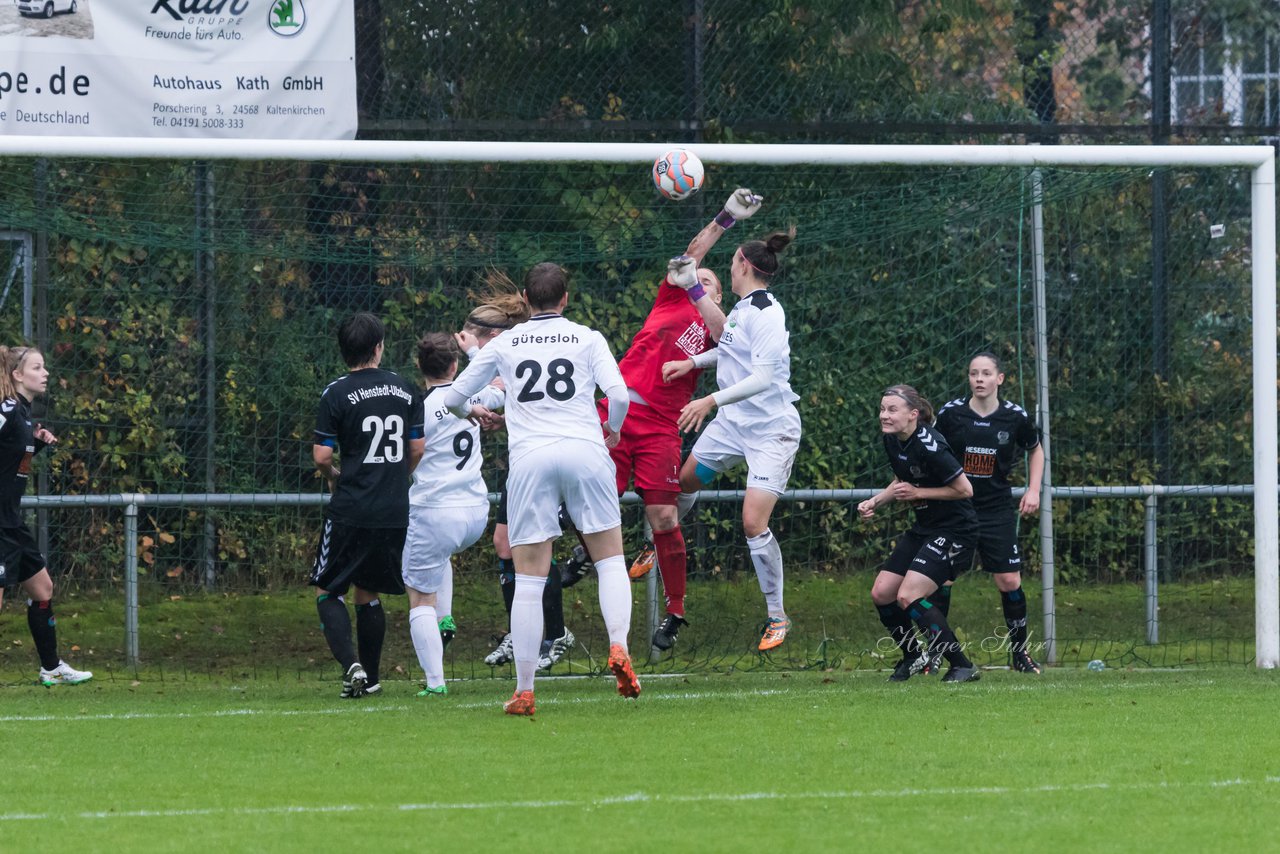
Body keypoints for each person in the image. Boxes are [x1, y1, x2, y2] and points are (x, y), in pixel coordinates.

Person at [445, 261, 638, 716]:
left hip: (531, 460)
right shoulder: (588, 338)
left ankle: (526, 690)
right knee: (610, 560)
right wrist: (610, 431)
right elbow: (622, 396)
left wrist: (475, 415)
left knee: (529, 580)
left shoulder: (507, 341)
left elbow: (455, 398)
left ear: (527, 302)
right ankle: (618, 645)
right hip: (585, 451)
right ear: (566, 299)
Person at [588, 192, 744, 651]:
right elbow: (690, 256)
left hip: (660, 425)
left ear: (717, 293)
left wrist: (704, 296)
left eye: (710, 280)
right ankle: (585, 558)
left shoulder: (720, 326)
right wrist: (725, 218)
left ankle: (675, 611)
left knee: (662, 515)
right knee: (598, 501)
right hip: (617, 411)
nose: (700, 278)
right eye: (698, 278)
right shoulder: (671, 298)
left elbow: (722, 337)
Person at [661, 194, 801, 652]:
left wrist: (709, 400)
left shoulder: (769, 315)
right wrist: (692, 363)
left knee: (752, 522)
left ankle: (777, 617)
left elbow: (762, 376)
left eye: (733, 259)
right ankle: (660, 538)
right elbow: (728, 345)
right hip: (734, 423)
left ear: (741, 263)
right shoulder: (743, 309)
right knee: (682, 484)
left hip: (771, 431)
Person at [454, 281, 576, 673]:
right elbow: (505, 402)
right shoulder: (505, 354)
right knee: (504, 543)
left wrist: (476, 381)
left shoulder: (516, 349)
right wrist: (493, 415)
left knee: (536, 547)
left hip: (552, 458)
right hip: (523, 463)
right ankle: (519, 632)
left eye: (471, 339)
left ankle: (555, 635)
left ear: (492, 337)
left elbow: (496, 395)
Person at [310, 313, 425, 698]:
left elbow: (322, 455)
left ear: (345, 352)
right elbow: (417, 448)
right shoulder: (407, 390)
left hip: (352, 507)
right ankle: (372, 679)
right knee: (369, 591)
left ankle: (351, 666)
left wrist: (335, 478)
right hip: (393, 509)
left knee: (328, 589)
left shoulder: (336, 392)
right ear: (378, 347)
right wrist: (395, 478)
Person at [402, 332, 508, 697]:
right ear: (455, 365)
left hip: (435, 511)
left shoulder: (417, 408)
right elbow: (503, 386)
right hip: (475, 512)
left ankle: (435, 683)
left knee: (418, 598)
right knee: (440, 556)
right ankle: (444, 618)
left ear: (420, 366)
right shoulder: (474, 396)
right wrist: (479, 349)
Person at [858, 384, 981, 683]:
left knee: (909, 595)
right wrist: (876, 501)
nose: (884, 416)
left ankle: (962, 664)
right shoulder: (893, 440)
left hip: (956, 530)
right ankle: (913, 656)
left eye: (892, 410)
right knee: (882, 592)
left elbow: (965, 490)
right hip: (925, 528)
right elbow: (902, 480)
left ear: (913, 415)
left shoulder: (931, 445)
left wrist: (919, 492)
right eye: (882, 409)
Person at [935, 351, 1045, 674]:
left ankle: (1020, 654)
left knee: (1009, 580)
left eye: (985, 373)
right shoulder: (951, 414)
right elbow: (931, 449)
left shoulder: (1014, 417)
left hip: (996, 510)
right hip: (956, 510)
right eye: (973, 373)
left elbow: (1035, 449)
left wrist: (1034, 489)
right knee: (941, 579)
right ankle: (935, 654)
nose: (979, 379)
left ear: (1000, 379)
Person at [0, 346, 92, 687]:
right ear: (17, 375)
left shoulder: (23, 414)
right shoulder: (8, 409)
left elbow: (11, 463)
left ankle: (51, 667)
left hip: (11, 522)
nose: (46, 373)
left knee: (43, 588)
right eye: (37, 367)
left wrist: (35, 444)